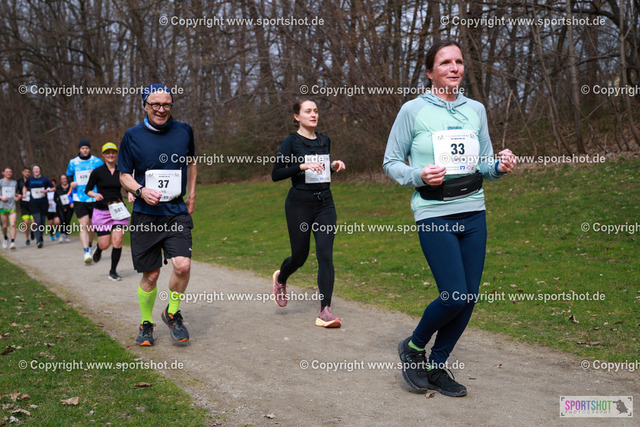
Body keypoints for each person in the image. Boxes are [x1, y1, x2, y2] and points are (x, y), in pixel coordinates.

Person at [383, 40, 517, 397]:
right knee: (455, 295)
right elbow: (391, 162)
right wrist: (418, 175)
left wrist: (499, 167)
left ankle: (436, 365)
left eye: (458, 61)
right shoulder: (412, 111)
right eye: (445, 63)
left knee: (468, 297)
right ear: (430, 72)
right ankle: (413, 347)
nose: (454, 68)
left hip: (474, 211)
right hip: (434, 213)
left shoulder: (476, 110)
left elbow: (484, 164)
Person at [118, 83, 196, 346]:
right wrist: (140, 190)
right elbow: (124, 175)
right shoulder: (132, 136)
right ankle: (146, 322)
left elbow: (191, 162)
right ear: (145, 106)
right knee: (151, 275)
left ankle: (172, 313)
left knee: (182, 265)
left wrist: (192, 195)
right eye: (155, 105)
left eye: (166, 105)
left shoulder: (184, 131)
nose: (161, 109)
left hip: (175, 211)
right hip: (146, 214)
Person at [271, 99, 346, 328]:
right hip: (299, 205)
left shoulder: (324, 140)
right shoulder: (290, 141)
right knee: (299, 257)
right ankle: (281, 278)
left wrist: (333, 166)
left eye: (316, 111)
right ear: (297, 116)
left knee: (325, 254)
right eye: (308, 111)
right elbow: (276, 174)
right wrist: (300, 167)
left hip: (325, 203)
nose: (313, 114)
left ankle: (325, 311)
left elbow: (320, 170)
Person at [86, 142, 132, 281]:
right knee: (105, 244)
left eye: (113, 152)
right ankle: (99, 248)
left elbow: (129, 187)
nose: (110, 155)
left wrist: (130, 194)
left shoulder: (122, 171)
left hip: (118, 210)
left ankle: (113, 271)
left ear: (116, 154)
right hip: (102, 211)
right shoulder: (97, 172)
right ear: (103, 154)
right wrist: (95, 195)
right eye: (108, 153)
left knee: (117, 241)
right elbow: (87, 190)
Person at [66, 139, 104, 263]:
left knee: (92, 226)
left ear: (89, 149)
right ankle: (86, 252)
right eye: (83, 148)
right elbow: (69, 175)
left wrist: (96, 174)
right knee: (84, 224)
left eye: (87, 148)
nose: (85, 150)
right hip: (79, 197)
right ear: (79, 149)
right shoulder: (73, 162)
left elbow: (104, 175)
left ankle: (90, 244)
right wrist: (71, 183)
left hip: (93, 197)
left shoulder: (97, 161)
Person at [22, 165, 55, 248]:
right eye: (35, 169)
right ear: (33, 171)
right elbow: (25, 187)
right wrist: (24, 193)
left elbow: (53, 188)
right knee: (38, 221)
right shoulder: (30, 179)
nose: (36, 171)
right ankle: (38, 241)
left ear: (40, 170)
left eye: (37, 169)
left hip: (44, 203)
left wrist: (47, 191)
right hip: (34, 204)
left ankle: (40, 237)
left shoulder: (45, 179)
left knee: (42, 223)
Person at [0, 167, 20, 250]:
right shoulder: (1, 182)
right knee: (4, 226)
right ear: (3, 173)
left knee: (12, 224)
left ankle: (12, 242)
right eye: (7, 172)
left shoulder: (14, 183)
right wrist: (1, 197)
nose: (9, 173)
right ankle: (5, 238)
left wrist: (17, 197)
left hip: (12, 207)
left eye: (10, 172)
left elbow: (14, 194)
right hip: (3, 207)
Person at [16, 167, 34, 245]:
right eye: (25, 172)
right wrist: (19, 195)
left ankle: (32, 231)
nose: (27, 173)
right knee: (26, 223)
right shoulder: (19, 181)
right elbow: (15, 192)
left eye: (28, 172)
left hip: (33, 204)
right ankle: (27, 238)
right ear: (22, 172)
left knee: (33, 222)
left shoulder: (33, 180)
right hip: (24, 205)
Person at [56, 174, 74, 242]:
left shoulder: (70, 187)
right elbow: (56, 198)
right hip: (60, 207)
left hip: (69, 207)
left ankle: (66, 235)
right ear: (60, 180)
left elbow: (73, 195)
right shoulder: (58, 188)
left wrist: (72, 203)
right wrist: (61, 206)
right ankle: (62, 234)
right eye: (62, 179)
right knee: (62, 220)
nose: (64, 180)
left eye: (65, 178)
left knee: (67, 221)